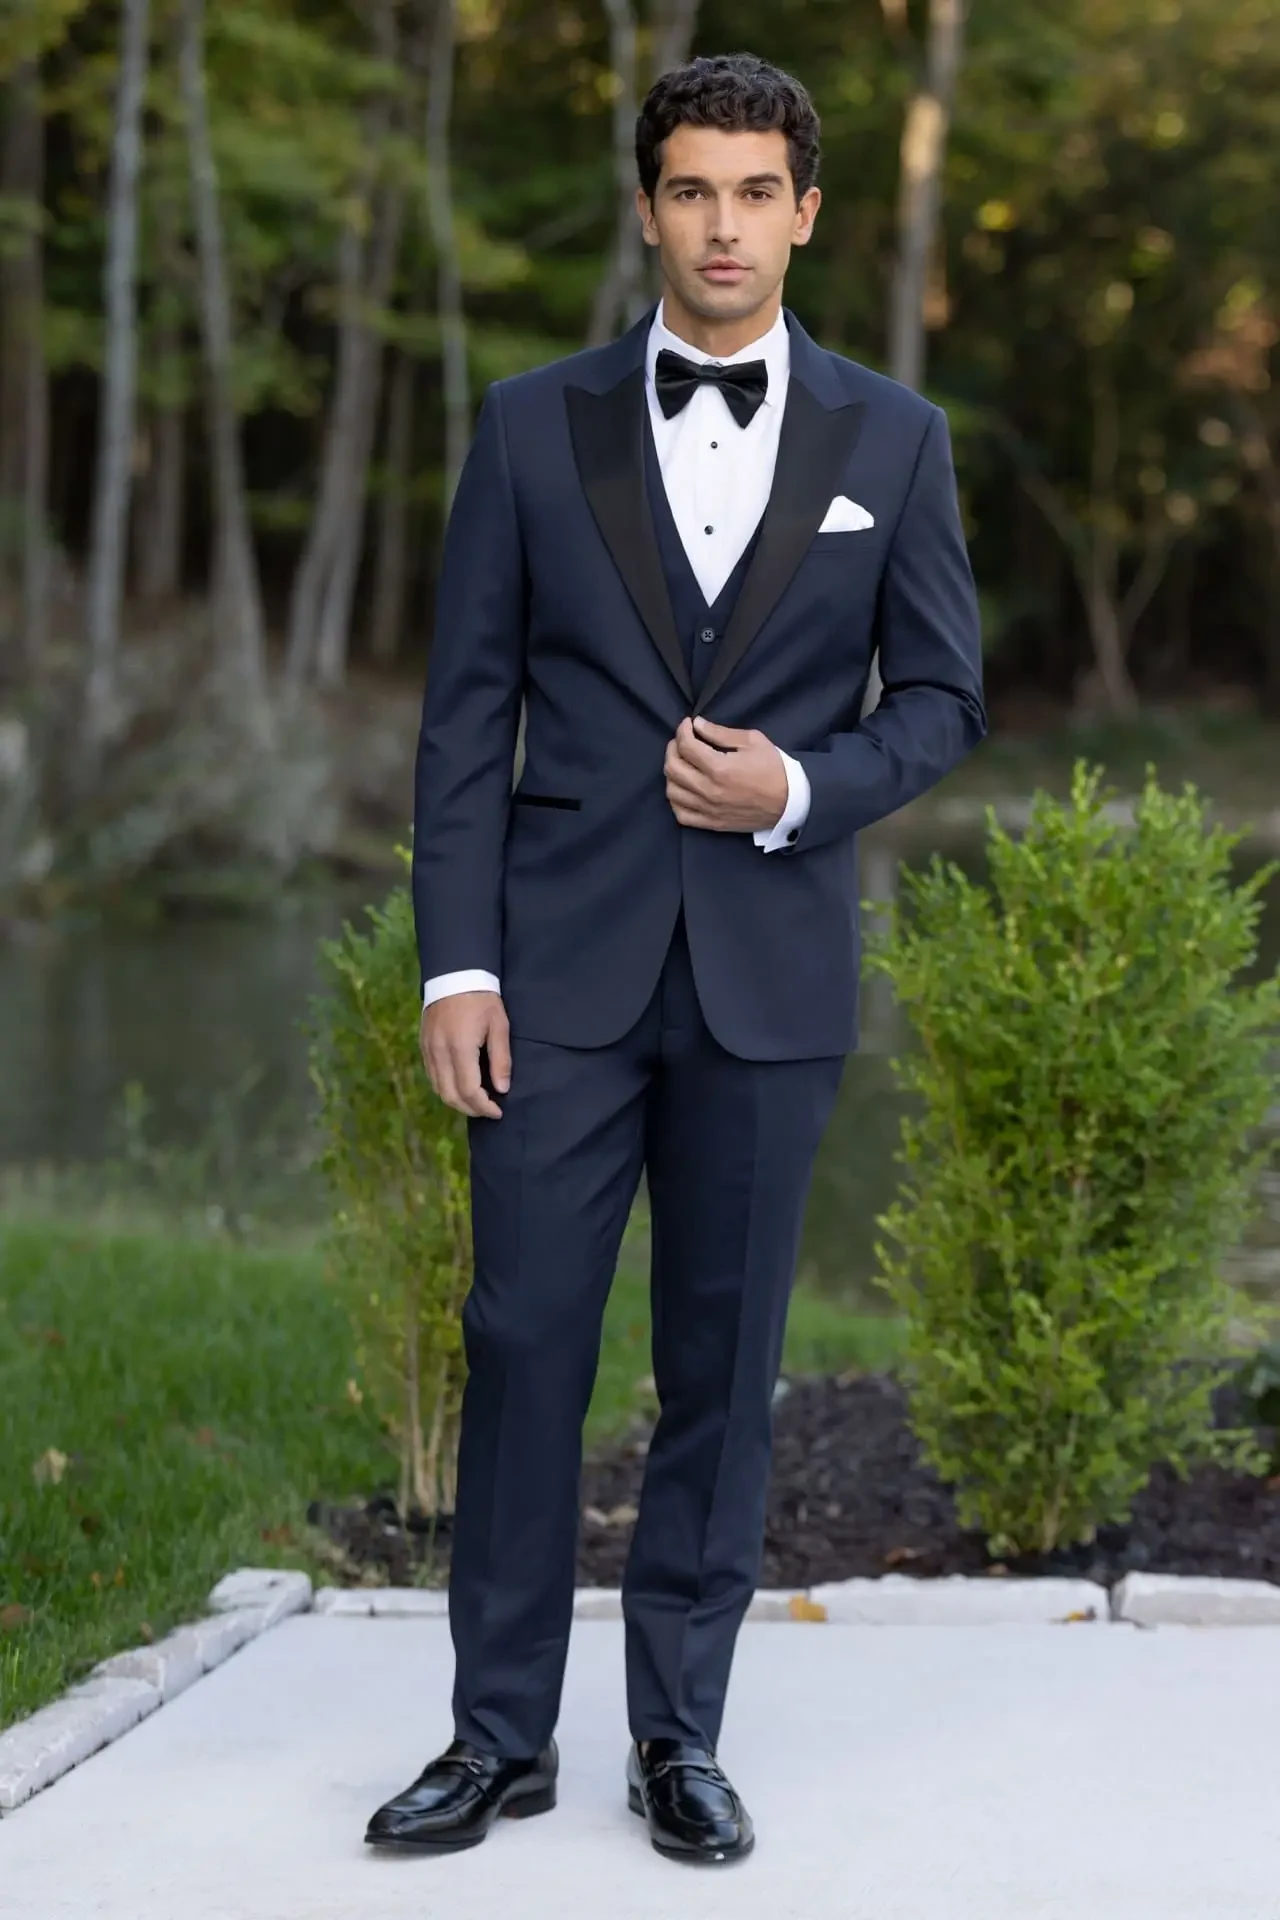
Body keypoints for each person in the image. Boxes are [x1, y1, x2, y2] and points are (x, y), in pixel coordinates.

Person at [365, 50, 985, 1867]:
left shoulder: (896, 440)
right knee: (524, 1343)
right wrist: (452, 971)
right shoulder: (527, 425)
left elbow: (943, 701)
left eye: (755, 193)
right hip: (551, 978)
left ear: (806, 212)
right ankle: (496, 1741)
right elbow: (463, 721)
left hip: (770, 981)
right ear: (651, 209)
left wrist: (804, 781)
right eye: (690, 191)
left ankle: (678, 1741)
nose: (723, 226)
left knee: (723, 1369)